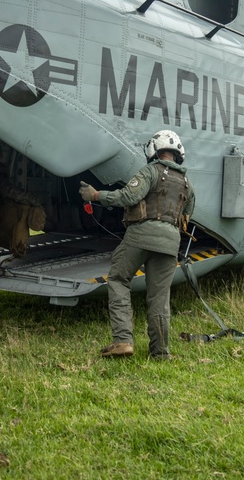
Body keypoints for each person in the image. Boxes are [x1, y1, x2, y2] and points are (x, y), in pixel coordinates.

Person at [79, 130, 195, 360]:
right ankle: (160, 352)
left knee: (119, 279)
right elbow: (187, 215)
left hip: (141, 235)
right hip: (170, 243)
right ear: (178, 153)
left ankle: (123, 340)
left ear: (155, 150)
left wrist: (95, 195)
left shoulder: (150, 172)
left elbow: (128, 197)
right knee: (160, 297)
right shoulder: (187, 184)